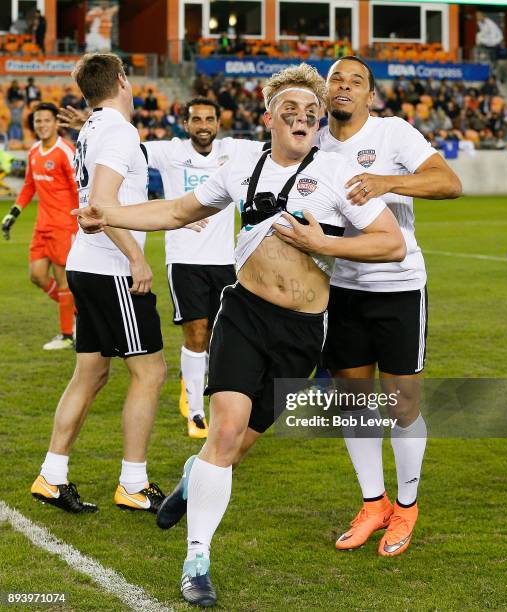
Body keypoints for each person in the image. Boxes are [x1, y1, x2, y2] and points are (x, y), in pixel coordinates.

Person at [75, 63, 406, 607]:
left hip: (302, 333)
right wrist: (109, 211)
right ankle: (197, 560)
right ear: (270, 118)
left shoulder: (339, 173)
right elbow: (181, 210)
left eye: (310, 113)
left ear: (318, 121)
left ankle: (193, 476)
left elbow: (390, 242)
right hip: (244, 316)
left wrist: (325, 245)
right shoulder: (240, 166)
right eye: (291, 111)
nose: (302, 119)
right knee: (225, 432)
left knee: (233, 448)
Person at [281, 56, 462, 557]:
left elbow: (449, 183)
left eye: (355, 81)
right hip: (340, 288)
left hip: (399, 286)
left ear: (370, 96)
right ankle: (373, 503)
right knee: (355, 403)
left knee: (403, 404)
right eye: (336, 78)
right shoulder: (311, 142)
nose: (344, 86)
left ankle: (406, 507)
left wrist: (387, 181)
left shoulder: (393, 134)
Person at [29, 53, 166, 515]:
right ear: (123, 81)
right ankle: (133, 482)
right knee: (150, 371)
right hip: (111, 268)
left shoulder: (93, 127)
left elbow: (104, 200)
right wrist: (135, 258)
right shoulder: (117, 130)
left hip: (86, 264)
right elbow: (102, 205)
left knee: (90, 374)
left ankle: (51, 476)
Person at [144, 98, 264, 438]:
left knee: (219, 337)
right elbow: (129, 152)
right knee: (196, 333)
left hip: (225, 261)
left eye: (209, 118)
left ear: (218, 122)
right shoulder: (170, 152)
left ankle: (196, 381)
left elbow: (281, 143)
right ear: (186, 123)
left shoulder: (235, 150)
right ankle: (196, 413)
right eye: (196, 119)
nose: (203, 125)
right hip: (184, 259)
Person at [1, 103, 78, 350]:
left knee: (63, 280)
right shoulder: (34, 151)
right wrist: (13, 213)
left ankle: (67, 334)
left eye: (46, 120)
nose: (42, 125)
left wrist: (81, 223)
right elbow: (28, 186)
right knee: (36, 275)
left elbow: (78, 188)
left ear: (57, 123)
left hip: (64, 225)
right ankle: (78, 313)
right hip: (42, 225)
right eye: (38, 121)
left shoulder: (66, 151)